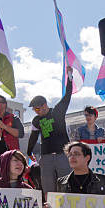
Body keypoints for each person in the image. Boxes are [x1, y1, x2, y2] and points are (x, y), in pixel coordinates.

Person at [26, 67, 74, 198]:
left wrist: (70, 77)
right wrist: (29, 151)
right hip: (46, 157)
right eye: (34, 110)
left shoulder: (57, 111)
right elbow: (34, 136)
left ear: (44, 105)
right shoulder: (36, 120)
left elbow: (67, 96)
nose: (37, 111)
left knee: (65, 187)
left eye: (37, 108)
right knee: (48, 189)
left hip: (62, 155)